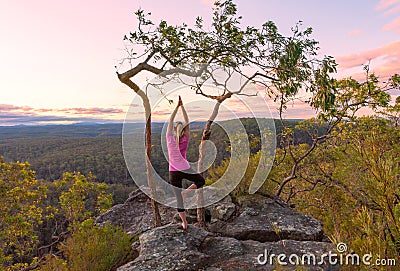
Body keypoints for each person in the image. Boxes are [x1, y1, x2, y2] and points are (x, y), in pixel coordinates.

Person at [166, 96, 205, 229]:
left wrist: (176, 107)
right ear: (183, 131)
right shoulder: (185, 139)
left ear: (174, 130)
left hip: (173, 172)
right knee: (200, 181)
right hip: (185, 168)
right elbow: (187, 121)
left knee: (178, 200)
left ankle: (184, 223)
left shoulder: (169, 139)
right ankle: (186, 192)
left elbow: (170, 120)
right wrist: (182, 107)